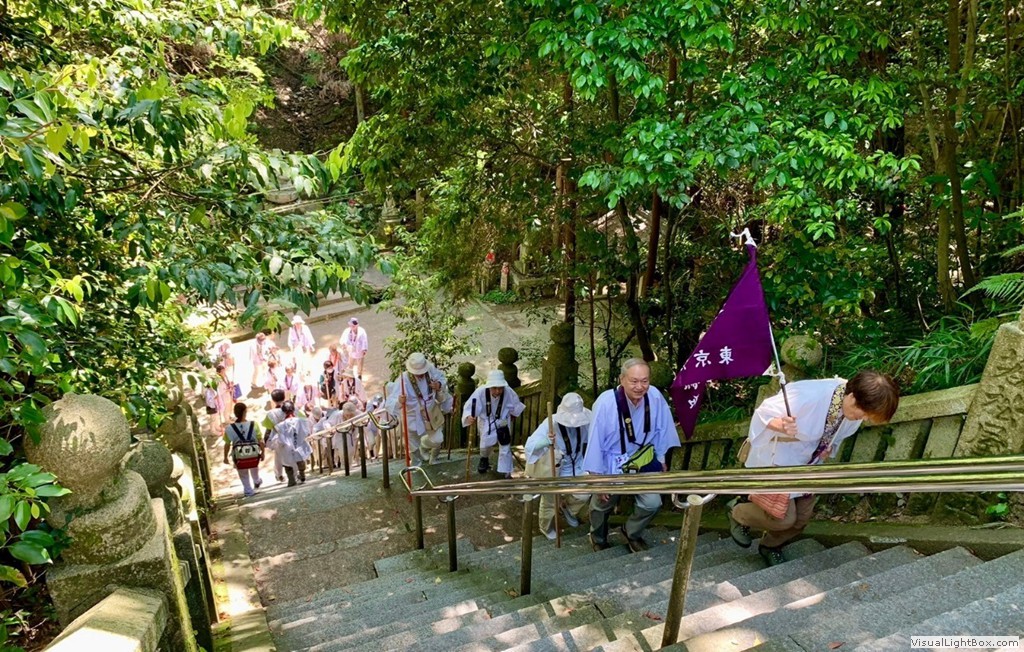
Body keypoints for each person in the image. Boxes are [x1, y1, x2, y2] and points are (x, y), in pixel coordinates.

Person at [728, 370, 900, 566]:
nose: (865, 419)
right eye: (865, 414)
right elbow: (763, 414)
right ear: (852, 398)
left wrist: (829, 448)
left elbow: (835, 435)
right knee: (783, 519)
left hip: (808, 463)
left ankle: (770, 545)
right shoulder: (809, 395)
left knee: (802, 519)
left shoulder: (852, 406)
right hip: (780, 458)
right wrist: (780, 425)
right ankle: (737, 512)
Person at [582, 358, 680, 553]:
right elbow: (594, 441)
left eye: (644, 381)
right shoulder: (606, 402)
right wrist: (597, 478)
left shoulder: (654, 396)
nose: (640, 387)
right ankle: (597, 536)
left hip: (642, 458)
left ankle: (631, 531)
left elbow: (662, 429)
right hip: (611, 461)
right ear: (622, 379)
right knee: (602, 504)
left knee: (652, 503)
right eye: (634, 381)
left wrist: (661, 458)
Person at [525, 393, 592, 539]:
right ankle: (546, 527)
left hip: (578, 465)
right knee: (550, 501)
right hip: (556, 468)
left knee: (584, 494)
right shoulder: (550, 423)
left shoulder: (586, 421)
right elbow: (529, 446)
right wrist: (545, 441)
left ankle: (567, 508)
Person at [385, 352, 452, 465]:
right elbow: (390, 401)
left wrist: (439, 385)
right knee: (412, 445)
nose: (420, 375)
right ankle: (416, 465)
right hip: (412, 415)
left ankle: (424, 445)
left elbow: (442, 378)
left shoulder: (430, 369)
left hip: (431, 412)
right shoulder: (403, 379)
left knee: (438, 439)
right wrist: (399, 401)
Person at [462, 369, 525, 477]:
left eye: (500, 388)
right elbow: (469, 407)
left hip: (503, 420)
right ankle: (484, 458)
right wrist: (469, 416)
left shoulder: (508, 392)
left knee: (505, 445)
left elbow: (516, 406)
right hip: (486, 421)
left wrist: (512, 415)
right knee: (485, 445)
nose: (497, 391)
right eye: (494, 388)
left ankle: (506, 471)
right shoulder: (480, 392)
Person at [222, 402, 264, 497]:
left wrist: (225, 457)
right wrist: (263, 452)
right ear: (245, 412)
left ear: (235, 413)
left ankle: (248, 490)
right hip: (253, 453)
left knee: (243, 473)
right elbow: (260, 440)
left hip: (239, 456)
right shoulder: (254, 424)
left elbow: (227, 444)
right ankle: (257, 480)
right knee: (254, 466)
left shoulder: (229, 428)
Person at [268, 400, 312, 486]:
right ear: (293, 409)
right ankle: (302, 474)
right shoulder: (302, 421)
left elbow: (275, 438)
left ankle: (291, 479)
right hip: (299, 445)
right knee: (300, 459)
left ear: (283, 411)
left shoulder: (280, 426)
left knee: (287, 463)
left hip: (287, 449)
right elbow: (307, 433)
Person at [262, 389, 288, 482]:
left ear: (273, 400)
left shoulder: (271, 413)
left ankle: (279, 475)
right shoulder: (291, 409)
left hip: (278, 437)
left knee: (278, 456)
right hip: (290, 435)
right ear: (284, 397)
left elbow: (268, 426)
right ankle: (295, 473)